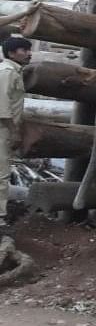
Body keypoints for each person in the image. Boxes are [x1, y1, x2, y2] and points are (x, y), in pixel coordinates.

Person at [0, 36, 32, 226]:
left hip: (5, 128)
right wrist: (14, 132)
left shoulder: (14, 71)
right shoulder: (6, 72)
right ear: (11, 53)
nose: (29, 53)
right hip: (3, 129)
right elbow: (2, 107)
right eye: (24, 50)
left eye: (29, 49)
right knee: (1, 175)